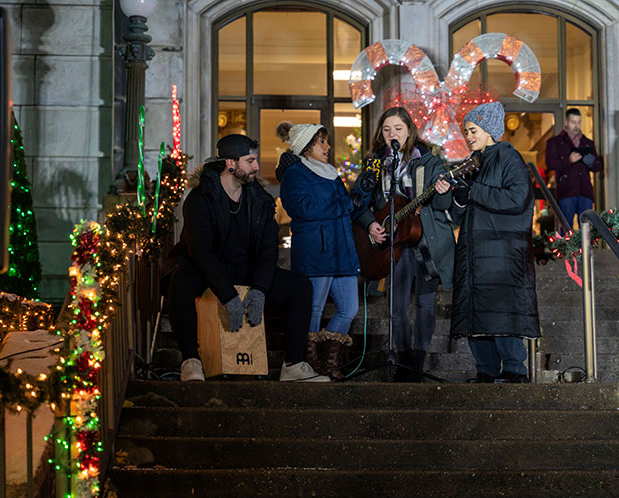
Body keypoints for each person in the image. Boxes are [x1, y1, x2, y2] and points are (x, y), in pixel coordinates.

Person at [161, 134, 329, 382]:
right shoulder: (200, 199)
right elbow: (201, 252)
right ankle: (191, 360)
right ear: (230, 163)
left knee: (299, 286)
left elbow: (268, 248)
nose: (257, 167)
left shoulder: (259, 200)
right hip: (205, 268)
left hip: (244, 268)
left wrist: (260, 288)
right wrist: (228, 296)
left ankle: (294, 364)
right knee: (181, 280)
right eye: (250, 161)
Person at [353, 107, 453, 382]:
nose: (391, 134)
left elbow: (444, 205)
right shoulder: (375, 163)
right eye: (386, 129)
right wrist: (369, 224)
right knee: (396, 307)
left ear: (409, 130)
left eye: (397, 128)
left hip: (424, 241)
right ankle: (403, 354)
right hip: (391, 245)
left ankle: (416, 362)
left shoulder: (429, 161)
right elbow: (359, 199)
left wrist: (443, 192)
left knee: (425, 303)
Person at [449, 101, 541, 383]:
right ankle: (486, 369)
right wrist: (456, 193)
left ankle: (514, 369)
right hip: (478, 254)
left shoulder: (508, 158)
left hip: (500, 254)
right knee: (479, 313)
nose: (469, 136)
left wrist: (474, 190)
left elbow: (517, 198)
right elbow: (465, 208)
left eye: (473, 130)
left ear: (489, 131)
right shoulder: (478, 162)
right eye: (466, 131)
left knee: (502, 312)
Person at [276, 121, 360, 380]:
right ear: (306, 147)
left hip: (341, 250)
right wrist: (341, 203)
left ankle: (328, 360)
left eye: (325, 141)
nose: (327, 146)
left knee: (349, 309)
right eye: (321, 142)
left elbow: (345, 205)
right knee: (312, 310)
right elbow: (304, 208)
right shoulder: (295, 174)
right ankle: (307, 362)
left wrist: (351, 200)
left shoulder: (331, 172)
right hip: (316, 252)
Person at [545, 108, 602, 232]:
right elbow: (550, 164)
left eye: (578, 122)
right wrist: (568, 160)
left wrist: (591, 162)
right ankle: (567, 252)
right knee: (566, 228)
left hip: (585, 191)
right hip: (566, 191)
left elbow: (598, 166)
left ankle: (586, 251)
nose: (576, 126)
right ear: (566, 122)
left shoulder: (587, 143)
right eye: (573, 122)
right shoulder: (555, 142)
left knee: (586, 228)